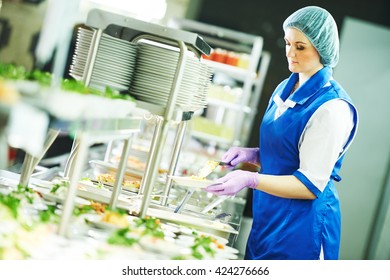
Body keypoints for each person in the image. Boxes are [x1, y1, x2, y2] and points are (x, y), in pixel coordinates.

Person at [205, 6, 359, 260]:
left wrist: (251, 179)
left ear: (322, 49)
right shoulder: (284, 89)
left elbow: (310, 185)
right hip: (269, 216)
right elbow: (288, 152)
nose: (290, 53)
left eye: (300, 47)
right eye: (287, 43)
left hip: (303, 227)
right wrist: (253, 154)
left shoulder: (332, 108)